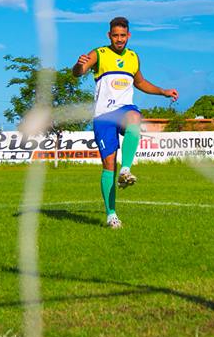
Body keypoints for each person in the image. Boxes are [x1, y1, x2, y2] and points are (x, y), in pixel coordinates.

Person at [72, 17, 178, 229]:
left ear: (128, 35)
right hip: (103, 116)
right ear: (109, 36)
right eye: (115, 35)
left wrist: (163, 92)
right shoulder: (100, 54)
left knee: (134, 117)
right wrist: (79, 66)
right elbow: (78, 73)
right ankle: (111, 215)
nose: (119, 39)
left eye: (123, 35)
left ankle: (126, 169)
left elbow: (140, 82)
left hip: (124, 110)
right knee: (108, 164)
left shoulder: (133, 57)